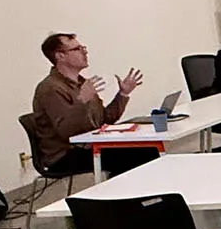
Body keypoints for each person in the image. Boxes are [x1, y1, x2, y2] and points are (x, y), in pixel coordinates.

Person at [30, 32, 150, 176]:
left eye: (83, 48)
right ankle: (123, 197)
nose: (84, 52)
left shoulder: (83, 84)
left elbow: (104, 120)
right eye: (77, 49)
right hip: (64, 155)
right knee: (136, 156)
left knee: (145, 149)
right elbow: (68, 132)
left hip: (89, 145)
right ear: (60, 56)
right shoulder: (50, 89)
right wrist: (81, 101)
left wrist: (123, 94)